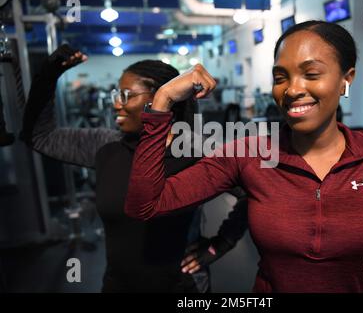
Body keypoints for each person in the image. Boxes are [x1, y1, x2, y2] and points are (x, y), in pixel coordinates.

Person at [124, 20, 363, 293]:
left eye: (311, 73)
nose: (292, 89)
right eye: (280, 77)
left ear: (346, 79)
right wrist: (162, 101)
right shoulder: (249, 153)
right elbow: (144, 206)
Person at [20, 44, 248, 292]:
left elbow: (253, 191)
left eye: (126, 96)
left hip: (182, 287)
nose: (117, 104)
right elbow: (39, 136)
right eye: (116, 95)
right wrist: (47, 76)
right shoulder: (106, 145)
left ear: (163, 99)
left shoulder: (196, 149)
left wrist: (219, 244)